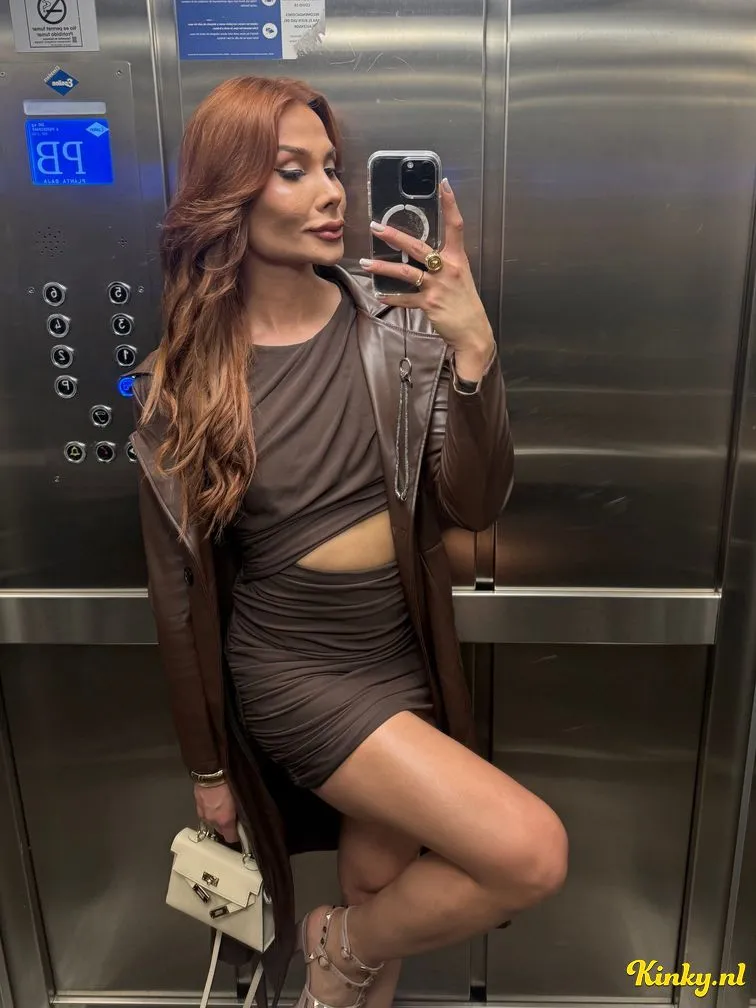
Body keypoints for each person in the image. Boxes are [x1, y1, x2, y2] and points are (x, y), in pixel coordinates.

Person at [130, 75, 567, 1008]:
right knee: (530, 852)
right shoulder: (187, 380)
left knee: (378, 882)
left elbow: (475, 504)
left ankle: (345, 957)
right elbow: (175, 591)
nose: (332, 192)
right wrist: (207, 768)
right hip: (296, 667)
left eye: (331, 167)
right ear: (230, 194)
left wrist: (475, 354)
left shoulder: (398, 329)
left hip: (398, 653)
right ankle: (335, 946)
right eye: (294, 171)